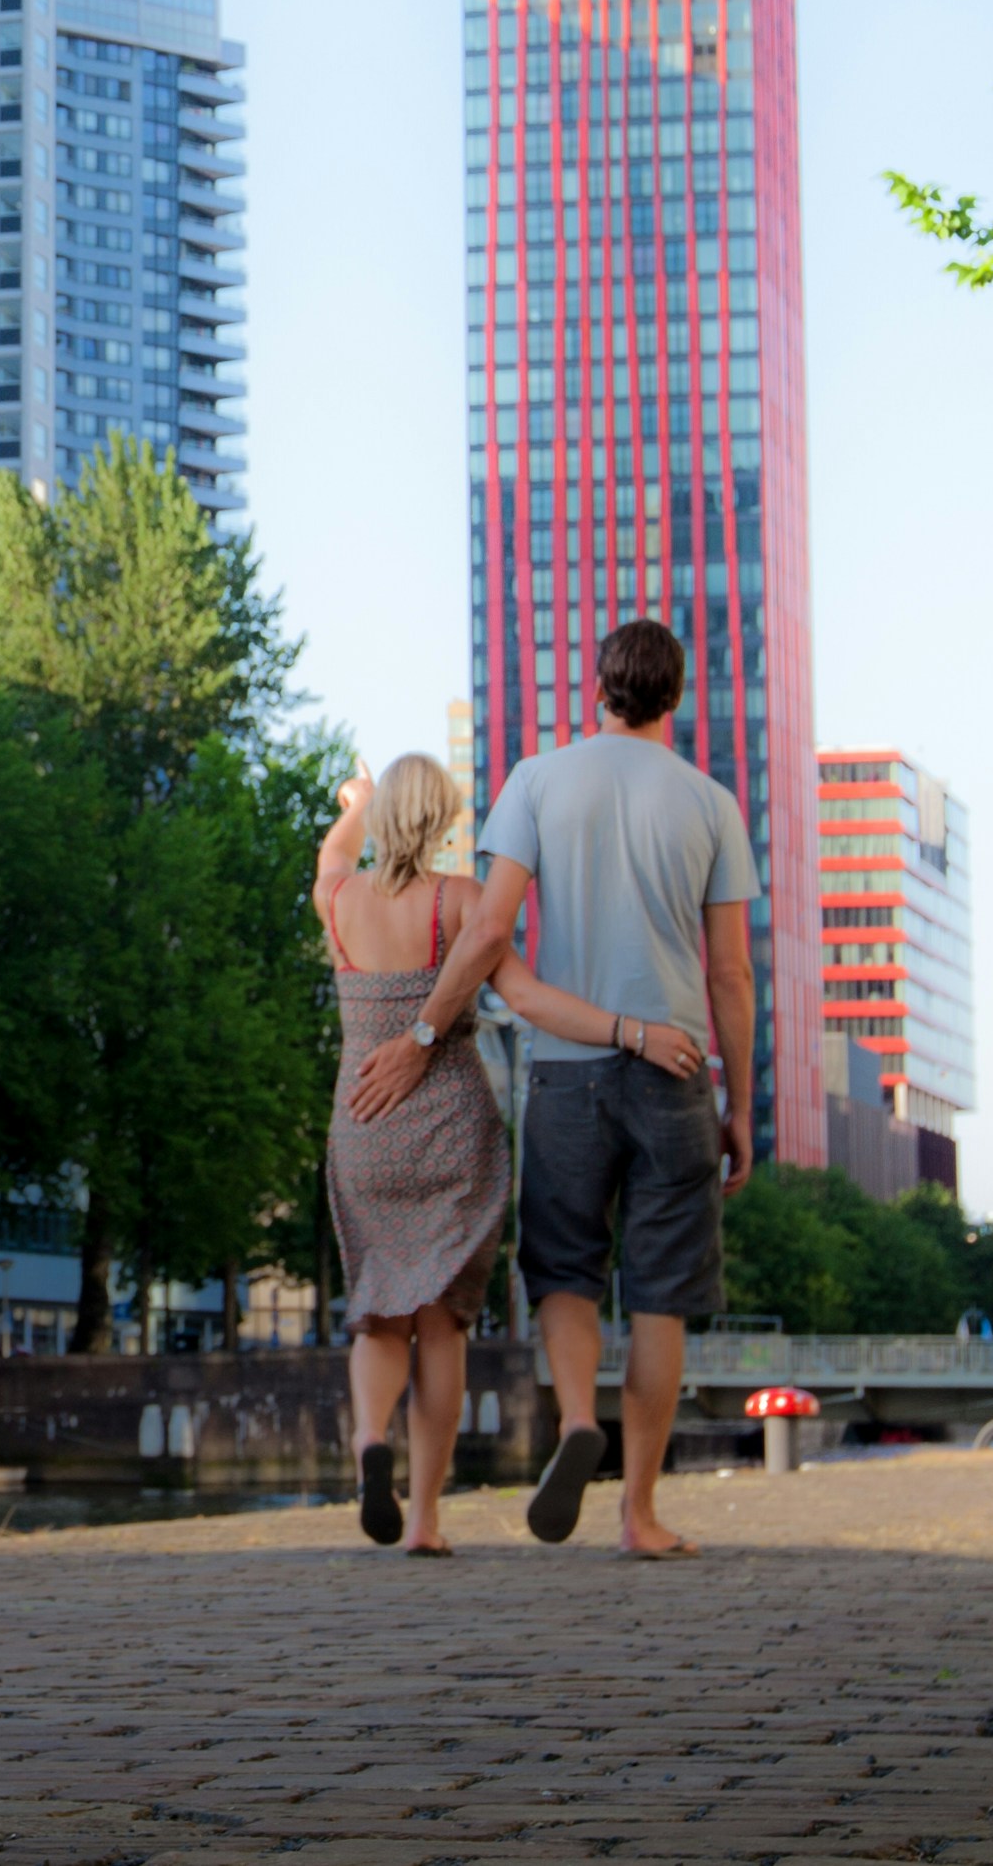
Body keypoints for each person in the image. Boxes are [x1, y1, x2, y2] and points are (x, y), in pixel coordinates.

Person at [350, 619, 754, 1559]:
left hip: (567, 1072)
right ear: (674, 698)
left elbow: (489, 930)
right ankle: (639, 1514)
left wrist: (419, 1035)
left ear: (598, 689)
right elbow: (731, 973)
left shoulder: (535, 781)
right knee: (659, 1296)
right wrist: (738, 1104)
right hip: (675, 1069)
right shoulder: (712, 804)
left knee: (565, 1268)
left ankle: (578, 1417)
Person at [314, 751, 704, 1553]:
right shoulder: (461, 901)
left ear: (384, 819)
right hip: (450, 1128)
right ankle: (423, 1521)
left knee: (377, 1312)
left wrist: (355, 802)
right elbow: (526, 999)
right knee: (442, 1324)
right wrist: (632, 1032)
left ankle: (368, 1443)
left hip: (364, 1122)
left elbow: (332, 853)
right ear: (444, 820)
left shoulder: (338, 899)